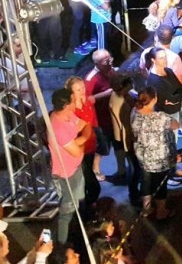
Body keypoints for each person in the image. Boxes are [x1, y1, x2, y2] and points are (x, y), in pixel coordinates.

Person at [48, 88, 92, 244]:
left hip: (74, 169)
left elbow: (83, 124)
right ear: (66, 104)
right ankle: (62, 246)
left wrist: (80, 140)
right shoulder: (58, 127)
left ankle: (78, 238)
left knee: (79, 202)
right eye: (73, 101)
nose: (76, 103)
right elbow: (76, 151)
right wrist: (83, 139)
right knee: (67, 211)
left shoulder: (67, 116)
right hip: (65, 175)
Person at [131, 87, 180, 220]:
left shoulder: (134, 113)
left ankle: (146, 208)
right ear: (154, 99)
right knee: (160, 184)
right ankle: (161, 211)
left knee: (146, 181)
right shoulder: (160, 117)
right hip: (159, 157)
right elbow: (176, 125)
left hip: (142, 155)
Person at [65, 77, 102, 211]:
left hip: (90, 145)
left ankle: (88, 208)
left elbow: (92, 122)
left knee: (87, 179)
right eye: (78, 89)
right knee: (90, 182)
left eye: (83, 88)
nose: (82, 91)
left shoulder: (88, 103)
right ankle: (85, 208)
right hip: (78, 149)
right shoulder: (69, 108)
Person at [108, 74, 141, 207]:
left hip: (129, 138)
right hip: (129, 139)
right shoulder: (120, 102)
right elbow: (127, 124)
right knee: (136, 169)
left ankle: (136, 193)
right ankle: (134, 195)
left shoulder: (123, 96)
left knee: (136, 168)